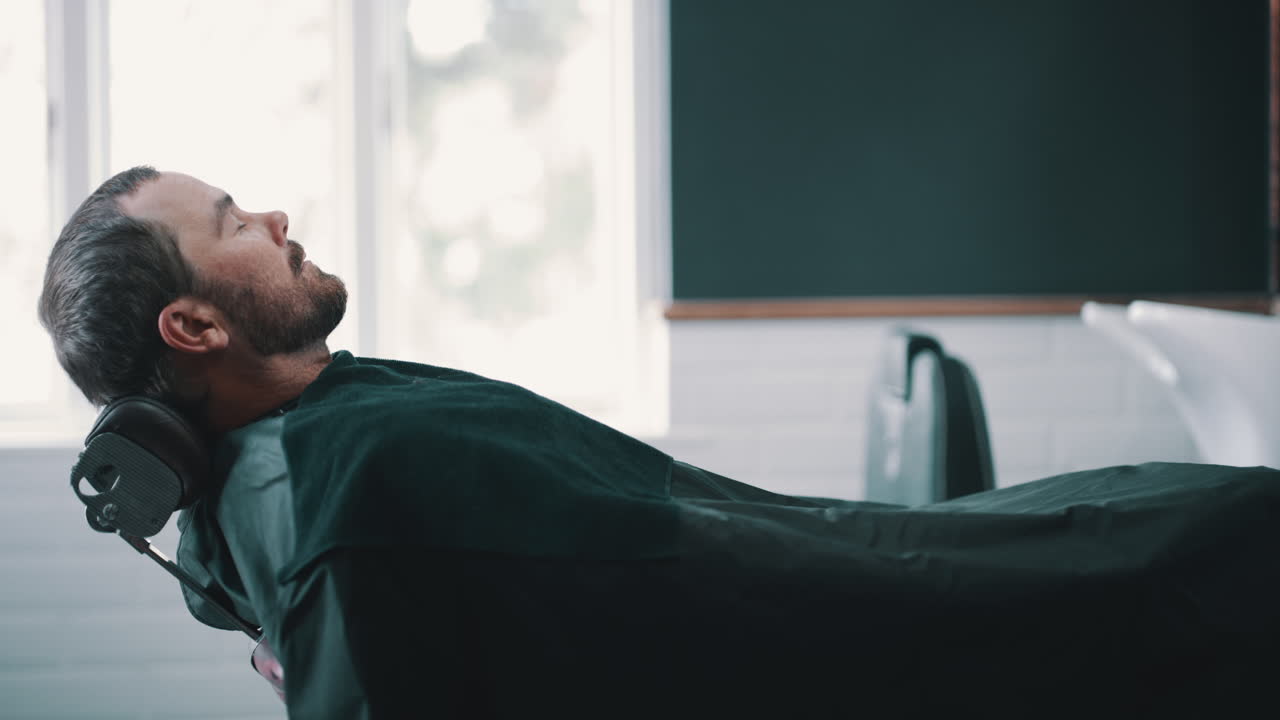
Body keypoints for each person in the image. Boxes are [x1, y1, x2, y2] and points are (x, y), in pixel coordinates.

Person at [40, 167, 1280, 717]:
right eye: (230, 223)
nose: (273, 214)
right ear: (193, 321)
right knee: (1220, 534)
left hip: (841, 572)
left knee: (1188, 514)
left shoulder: (313, 450)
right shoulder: (339, 497)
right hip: (869, 626)